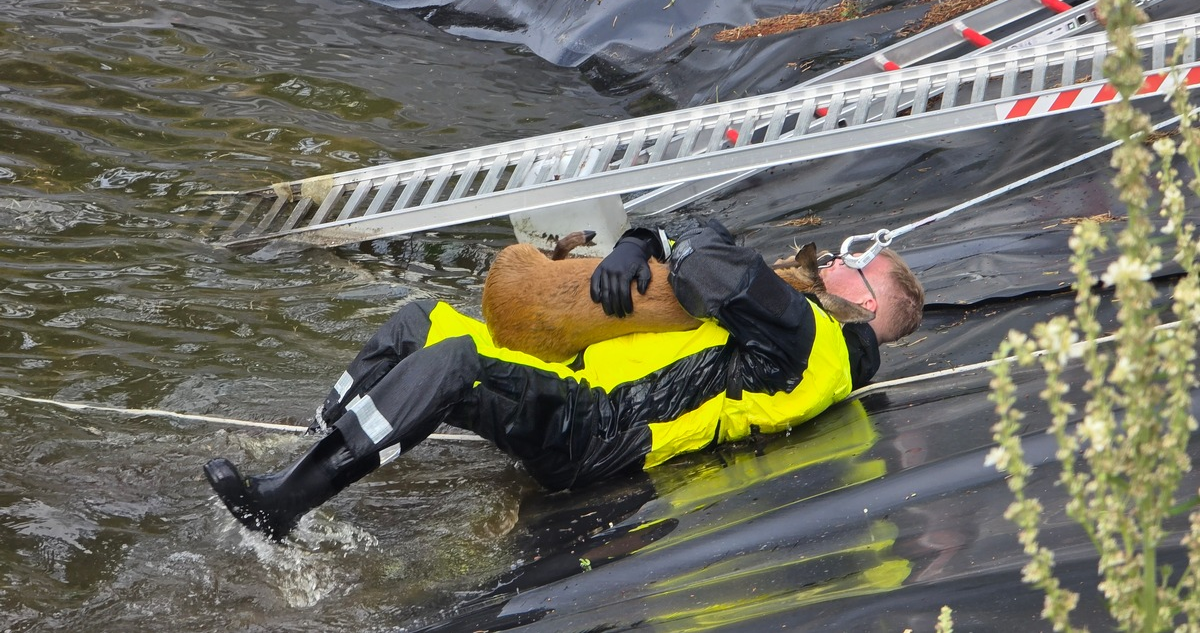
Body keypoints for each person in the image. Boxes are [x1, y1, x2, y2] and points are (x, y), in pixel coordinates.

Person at [204, 220, 924, 540]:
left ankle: (286, 504)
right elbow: (704, 237)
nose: (830, 258)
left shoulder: (810, 336)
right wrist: (642, 242)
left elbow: (710, 261)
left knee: (456, 367)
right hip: (579, 381)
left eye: (846, 263)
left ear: (861, 301)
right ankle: (314, 443)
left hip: (605, 430)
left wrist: (656, 244)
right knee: (423, 320)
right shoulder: (808, 333)